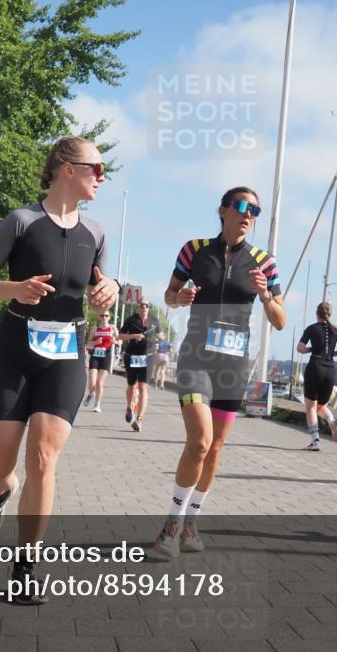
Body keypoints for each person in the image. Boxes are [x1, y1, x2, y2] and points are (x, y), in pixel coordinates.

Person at [0, 136, 118, 603]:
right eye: (96, 167)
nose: (101, 176)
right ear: (67, 168)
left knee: (43, 460)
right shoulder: (21, 221)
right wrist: (15, 288)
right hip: (13, 351)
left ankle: (25, 567)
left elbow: (100, 292)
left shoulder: (96, 233)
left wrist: (108, 291)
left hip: (66, 355)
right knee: (0, 467)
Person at [155, 187, 286, 557]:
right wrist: (177, 300)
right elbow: (169, 293)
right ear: (223, 210)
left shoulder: (265, 261)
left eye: (255, 210)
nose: (249, 214)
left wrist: (265, 295)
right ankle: (172, 524)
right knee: (198, 441)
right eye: (242, 207)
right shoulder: (194, 250)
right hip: (196, 357)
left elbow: (279, 320)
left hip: (233, 364)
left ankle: (192, 522)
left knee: (214, 448)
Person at [296, 302, 337, 450]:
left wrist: (310, 349)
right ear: (329, 314)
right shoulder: (336, 330)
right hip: (330, 370)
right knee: (321, 407)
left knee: (311, 408)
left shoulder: (311, 328)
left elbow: (300, 348)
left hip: (315, 368)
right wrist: (334, 354)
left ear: (317, 313)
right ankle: (331, 419)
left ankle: (315, 441)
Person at [119, 300, 158, 431]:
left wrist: (161, 336)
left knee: (143, 387)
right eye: (142, 305)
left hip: (149, 357)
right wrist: (133, 336)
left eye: (147, 305)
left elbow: (159, 333)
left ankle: (139, 419)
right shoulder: (131, 320)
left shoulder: (154, 320)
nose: (145, 307)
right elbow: (120, 336)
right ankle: (129, 407)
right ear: (137, 308)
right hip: (132, 357)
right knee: (131, 386)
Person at [83, 311, 117, 413]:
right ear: (99, 317)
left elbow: (120, 340)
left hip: (106, 356)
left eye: (106, 315)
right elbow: (88, 342)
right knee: (92, 382)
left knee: (99, 382)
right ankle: (91, 394)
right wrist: (95, 342)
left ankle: (97, 404)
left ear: (109, 317)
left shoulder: (112, 328)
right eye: (102, 315)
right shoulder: (95, 327)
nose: (104, 317)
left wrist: (115, 341)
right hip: (95, 356)